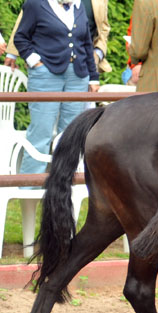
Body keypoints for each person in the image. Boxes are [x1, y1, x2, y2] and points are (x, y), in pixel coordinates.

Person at [14, 0, 99, 179]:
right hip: (45, 76)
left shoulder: (78, 6)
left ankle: (63, 188)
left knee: (70, 135)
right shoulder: (35, 4)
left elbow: (86, 44)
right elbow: (20, 38)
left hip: (78, 77)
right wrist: (35, 62)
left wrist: (93, 77)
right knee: (41, 133)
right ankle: (28, 189)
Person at [5, 0, 112, 74]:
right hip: (47, 62)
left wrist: (98, 53)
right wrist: (12, 53)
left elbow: (103, 27)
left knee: (79, 106)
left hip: (82, 65)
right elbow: (26, 18)